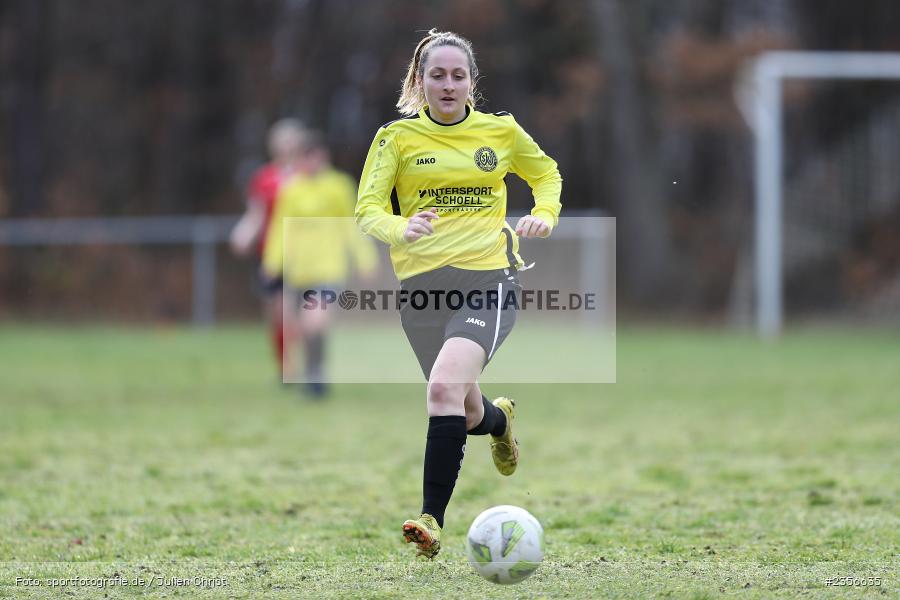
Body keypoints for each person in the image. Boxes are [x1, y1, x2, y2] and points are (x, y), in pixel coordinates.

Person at [355, 29, 562, 558]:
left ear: (472, 82)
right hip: (422, 292)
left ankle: (430, 521)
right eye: (437, 75)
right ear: (419, 82)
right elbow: (368, 211)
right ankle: (499, 421)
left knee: (442, 389)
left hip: (487, 281)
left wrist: (544, 213)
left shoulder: (501, 132)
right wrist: (402, 229)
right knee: (464, 410)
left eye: (458, 75)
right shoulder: (394, 139)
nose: (448, 84)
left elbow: (546, 175)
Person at [263, 131, 377, 397]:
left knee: (316, 321)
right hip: (299, 271)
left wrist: (364, 259)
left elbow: (352, 226)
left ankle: (316, 374)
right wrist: (272, 262)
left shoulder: (338, 187)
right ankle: (315, 371)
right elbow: (280, 228)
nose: (312, 163)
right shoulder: (291, 190)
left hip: (329, 268)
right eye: (306, 158)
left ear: (324, 158)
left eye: (316, 158)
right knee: (302, 327)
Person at [230, 118, 306, 379]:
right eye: (280, 141)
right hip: (271, 254)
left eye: (290, 141)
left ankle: (301, 365)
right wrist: (243, 234)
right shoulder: (264, 178)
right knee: (276, 316)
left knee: (297, 314)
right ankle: (285, 364)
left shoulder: (308, 175)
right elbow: (256, 214)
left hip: (304, 256)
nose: (286, 147)